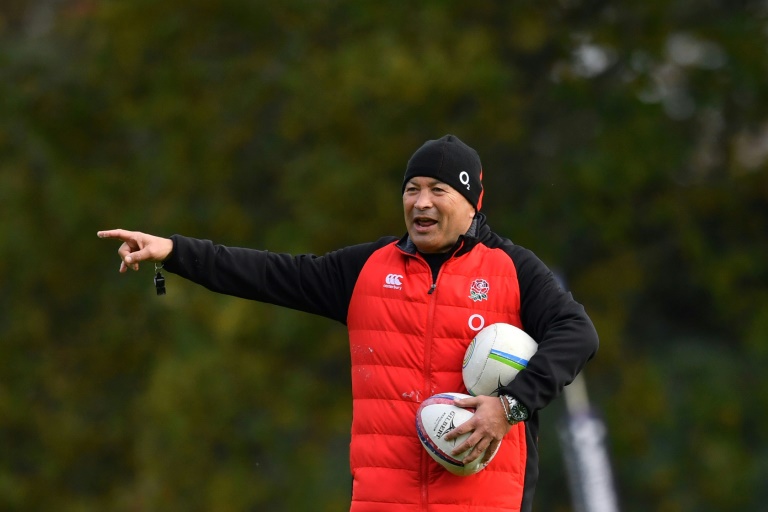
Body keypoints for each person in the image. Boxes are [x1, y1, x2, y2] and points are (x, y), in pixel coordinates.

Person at [98, 134, 598, 511]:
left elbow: (577, 334)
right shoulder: (367, 269)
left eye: (438, 190)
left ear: (473, 203)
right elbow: (270, 274)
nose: (421, 202)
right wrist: (175, 251)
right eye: (412, 189)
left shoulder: (513, 270)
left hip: (485, 502)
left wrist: (509, 406)